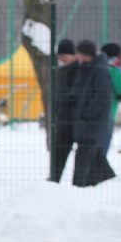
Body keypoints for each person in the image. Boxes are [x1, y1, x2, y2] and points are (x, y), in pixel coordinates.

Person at [71, 39, 116, 187]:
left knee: (85, 153)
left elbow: (101, 97)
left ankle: (79, 185)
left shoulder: (99, 70)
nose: (77, 56)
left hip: (92, 121)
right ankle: (102, 178)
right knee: (93, 152)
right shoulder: (86, 68)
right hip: (86, 121)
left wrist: (87, 113)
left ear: (86, 54)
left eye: (79, 53)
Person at [51, 39, 78, 182]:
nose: (61, 59)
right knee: (59, 154)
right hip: (63, 120)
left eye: (64, 55)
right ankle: (54, 179)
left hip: (75, 120)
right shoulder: (61, 71)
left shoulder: (79, 71)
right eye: (60, 56)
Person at [100, 42, 121, 154]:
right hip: (108, 114)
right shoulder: (114, 70)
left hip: (92, 115)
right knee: (103, 147)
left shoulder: (95, 68)